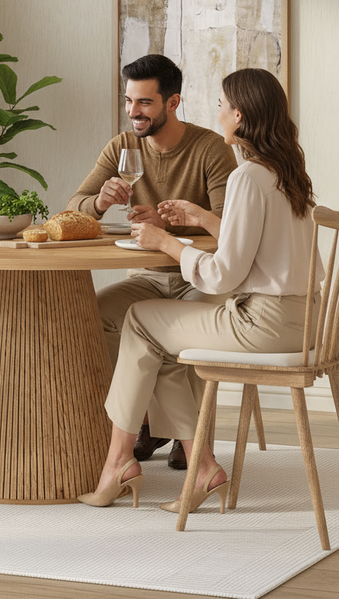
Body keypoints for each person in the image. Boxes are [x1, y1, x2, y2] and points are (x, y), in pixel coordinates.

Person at [78, 68, 323, 512]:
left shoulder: (246, 177)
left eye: (222, 105)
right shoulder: (284, 171)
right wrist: (204, 218)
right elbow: (257, 245)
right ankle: (200, 464)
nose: (217, 112)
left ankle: (120, 463)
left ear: (240, 115)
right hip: (303, 319)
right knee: (162, 344)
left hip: (261, 322)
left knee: (139, 320)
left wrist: (166, 242)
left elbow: (223, 275)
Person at [67, 54, 237, 468]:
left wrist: (170, 229)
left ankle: (185, 434)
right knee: (93, 317)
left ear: (173, 102)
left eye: (144, 103)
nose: (132, 112)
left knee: (169, 333)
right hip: (147, 277)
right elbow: (72, 207)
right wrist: (98, 202)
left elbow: (231, 230)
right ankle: (147, 421)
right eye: (128, 101)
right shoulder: (122, 146)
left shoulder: (209, 149)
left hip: (200, 278)